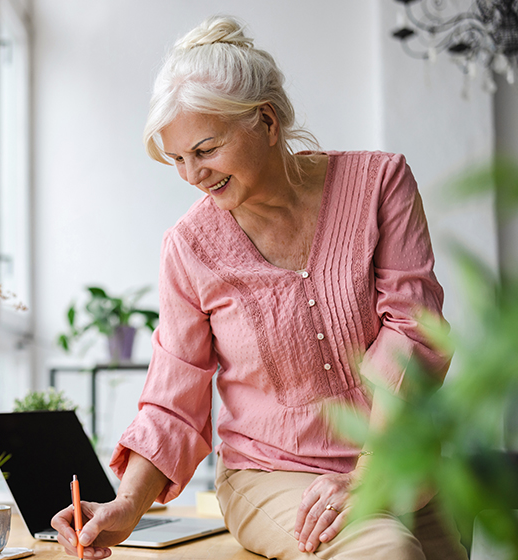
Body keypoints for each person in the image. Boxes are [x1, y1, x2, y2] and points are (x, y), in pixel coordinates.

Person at [51, 15, 468, 560]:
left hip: (397, 460)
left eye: (204, 149)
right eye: (176, 159)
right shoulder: (190, 247)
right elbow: (175, 396)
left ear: (266, 122)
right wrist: (127, 505)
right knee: (386, 550)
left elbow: (413, 331)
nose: (191, 174)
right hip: (272, 472)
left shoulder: (379, 184)